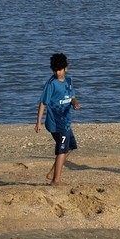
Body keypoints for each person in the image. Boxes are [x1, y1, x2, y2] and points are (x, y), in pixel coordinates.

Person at [35, 52, 79, 186]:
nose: (57, 72)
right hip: (56, 122)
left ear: (66, 68)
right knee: (62, 150)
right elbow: (43, 103)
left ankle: (52, 173)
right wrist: (38, 122)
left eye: (59, 70)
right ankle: (56, 181)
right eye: (55, 70)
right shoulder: (51, 84)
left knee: (71, 146)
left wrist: (74, 103)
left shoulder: (69, 81)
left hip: (66, 122)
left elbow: (72, 96)